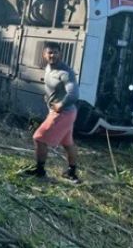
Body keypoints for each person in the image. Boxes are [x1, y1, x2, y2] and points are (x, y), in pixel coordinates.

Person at [22, 42, 81, 184]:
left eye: (55, 52)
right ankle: (72, 172)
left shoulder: (65, 72)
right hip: (64, 112)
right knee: (67, 143)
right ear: (44, 54)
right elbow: (53, 88)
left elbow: (73, 95)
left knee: (39, 138)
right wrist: (49, 98)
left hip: (63, 112)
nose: (52, 55)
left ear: (60, 54)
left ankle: (39, 170)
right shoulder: (49, 67)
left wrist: (60, 104)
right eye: (49, 52)